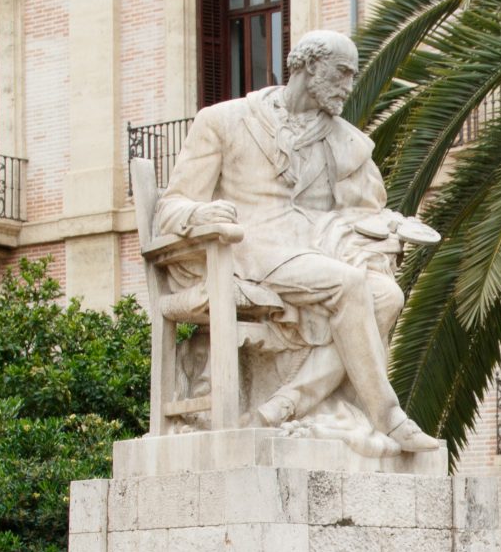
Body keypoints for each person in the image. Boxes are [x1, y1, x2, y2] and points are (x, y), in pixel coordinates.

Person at [153, 30, 443, 458]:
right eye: (342, 73)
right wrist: (199, 215)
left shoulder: (344, 142)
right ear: (309, 67)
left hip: (314, 248)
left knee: (386, 295)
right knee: (347, 284)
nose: (349, 86)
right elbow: (171, 206)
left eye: (352, 75)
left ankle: (282, 407)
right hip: (249, 247)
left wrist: (389, 230)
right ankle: (389, 416)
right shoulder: (224, 121)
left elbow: (365, 210)